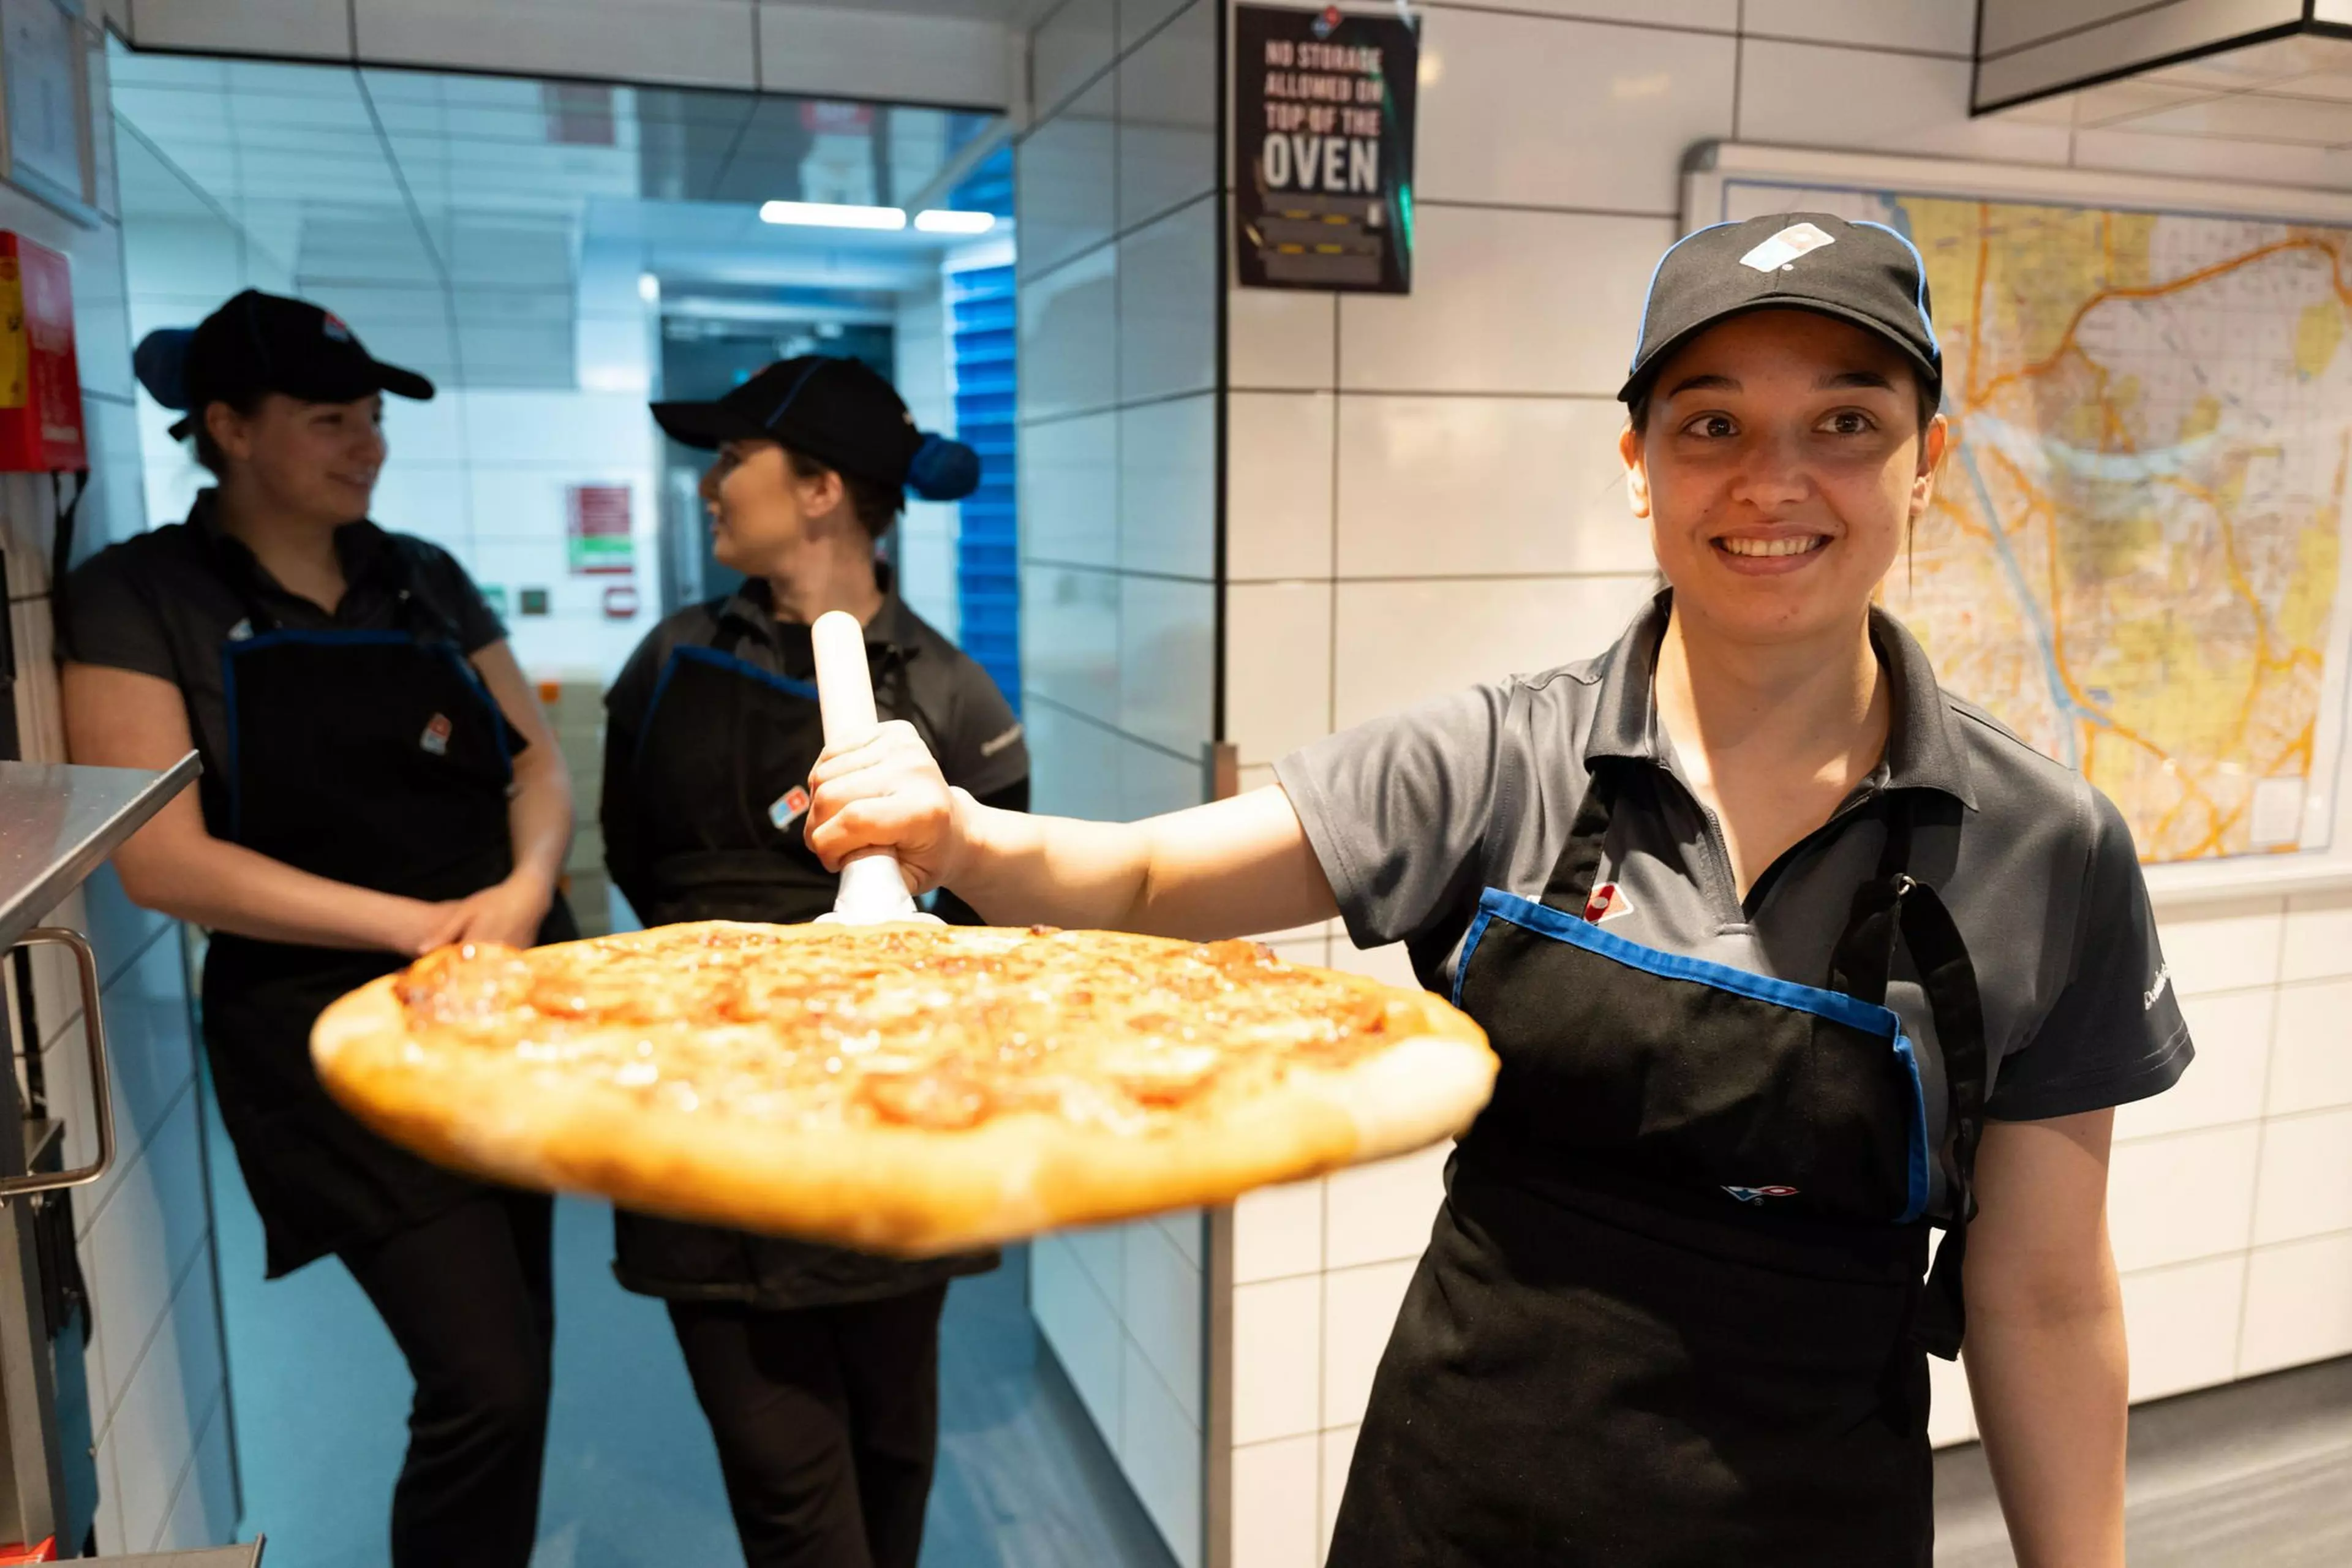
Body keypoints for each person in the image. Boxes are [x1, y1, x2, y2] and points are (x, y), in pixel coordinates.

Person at [800, 215, 2192, 1566]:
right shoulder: (1500, 757)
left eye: (1845, 422)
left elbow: (2046, 1292)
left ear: (1927, 460)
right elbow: (1156, 870)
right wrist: (963, 832)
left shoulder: (2045, 846)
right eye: (1711, 423)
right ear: (1639, 462)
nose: (1774, 480)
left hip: (1812, 1519)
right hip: (1464, 1499)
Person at [59, 290, 576, 1568]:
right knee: (488, 1378)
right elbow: (163, 862)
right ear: (228, 427)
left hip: (506, 990)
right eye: (330, 417)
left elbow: (541, 770)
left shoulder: (421, 575)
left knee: (525, 1355)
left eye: (374, 416)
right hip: (327, 1030)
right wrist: (418, 928)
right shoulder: (139, 596)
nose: (368, 443)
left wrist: (516, 901)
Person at [604, 355, 1028, 1568]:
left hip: (887, 1132)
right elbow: (631, 853)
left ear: (822, 489)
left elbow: (994, 930)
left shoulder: (951, 692)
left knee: (893, 1453)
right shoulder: (670, 661)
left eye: (734, 457)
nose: (710, 485)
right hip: (711, 1127)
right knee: (794, 1494)